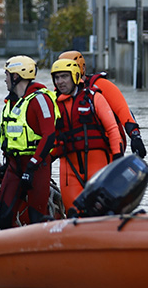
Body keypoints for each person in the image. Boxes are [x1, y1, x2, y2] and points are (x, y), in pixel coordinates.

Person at [50, 58, 124, 215]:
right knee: (73, 214)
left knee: (100, 212)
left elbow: (112, 129)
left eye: (64, 76)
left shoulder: (94, 98)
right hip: (69, 170)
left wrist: (117, 157)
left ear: (75, 76)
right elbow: (50, 138)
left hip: (98, 166)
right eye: (57, 78)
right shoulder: (53, 104)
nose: (60, 81)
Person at [0, 55, 57, 229]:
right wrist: (6, 163)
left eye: (7, 74)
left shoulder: (39, 100)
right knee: (3, 216)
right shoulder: (12, 103)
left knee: (37, 217)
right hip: (14, 166)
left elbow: (49, 136)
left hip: (37, 166)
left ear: (16, 76)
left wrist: (32, 166)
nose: (5, 79)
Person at [58, 50, 147, 158]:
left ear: (82, 69)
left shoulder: (102, 86)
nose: (62, 80)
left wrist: (135, 136)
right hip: (76, 150)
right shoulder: (60, 94)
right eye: (59, 76)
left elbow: (123, 110)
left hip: (105, 146)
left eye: (65, 75)